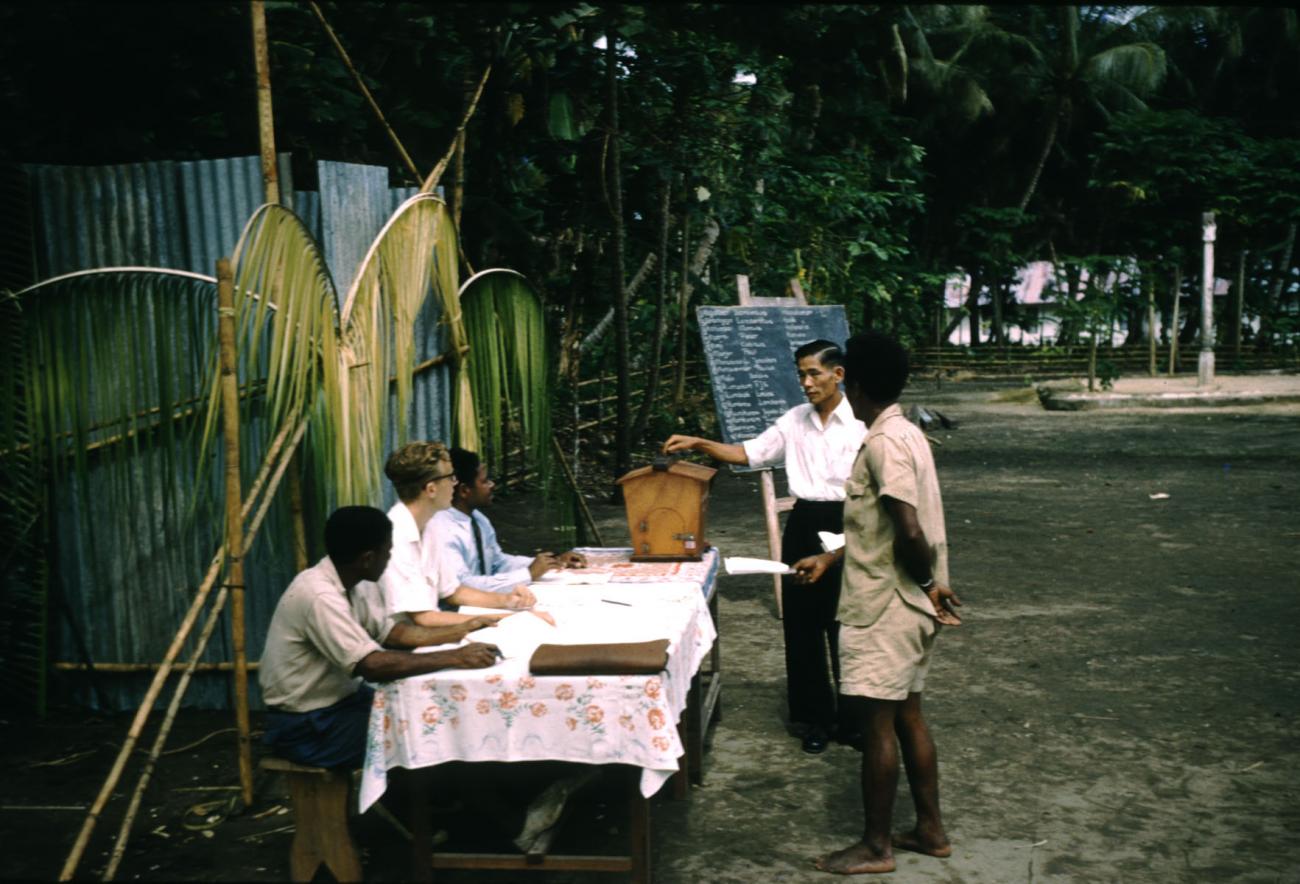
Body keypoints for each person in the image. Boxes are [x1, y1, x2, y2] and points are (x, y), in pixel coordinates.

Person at [791, 331, 963, 875]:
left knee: (877, 725)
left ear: (857, 385)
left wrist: (928, 581)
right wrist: (831, 557)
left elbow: (908, 530)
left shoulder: (884, 443)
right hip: (907, 602)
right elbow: (883, 529)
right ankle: (931, 831)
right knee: (909, 715)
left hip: (886, 606)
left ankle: (875, 846)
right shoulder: (907, 432)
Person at [663, 339, 867, 755]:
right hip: (805, 524)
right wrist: (700, 444)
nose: (806, 382)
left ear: (838, 375)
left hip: (853, 523)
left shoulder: (862, 423)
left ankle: (856, 720)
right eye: (801, 374)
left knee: (850, 624)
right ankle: (814, 719)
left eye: (814, 373)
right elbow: (748, 453)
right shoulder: (794, 420)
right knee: (803, 625)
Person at [259, 506, 501, 769]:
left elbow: (395, 634)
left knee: (429, 712)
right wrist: (456, 657)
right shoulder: (319, 596)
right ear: (367, 558)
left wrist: (463, 628)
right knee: (420, 733)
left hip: (343, 705)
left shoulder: (354, 581)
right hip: (307, 726)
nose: (389, 558)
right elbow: (371, 666)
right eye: (387, 551)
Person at [378, 441, 541, 627]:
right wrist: (509, 619)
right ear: (431, 489)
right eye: (451, 478)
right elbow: (424, 618)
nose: (454, 484)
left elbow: (454, 592)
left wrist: (507, 600)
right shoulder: (397, 537)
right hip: (413, 638)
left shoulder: (429, 524)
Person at [432, 447, 587, 592]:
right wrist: (528, 574)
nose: (492, 485)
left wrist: (552, 561)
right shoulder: (442, 529)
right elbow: (462, 586)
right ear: (464, 490)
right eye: (485, 481)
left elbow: (497, 563)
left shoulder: (479, 519)